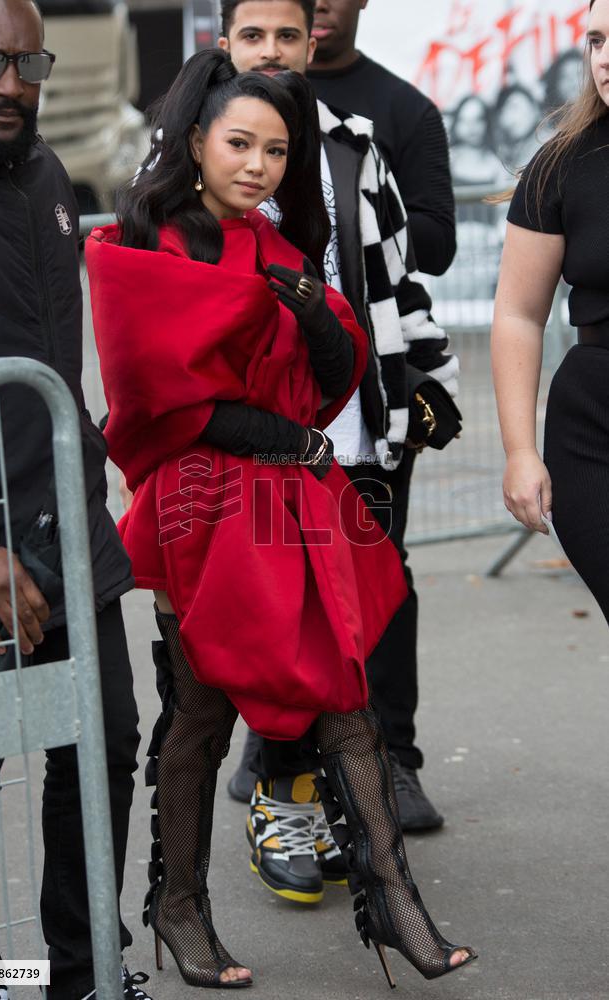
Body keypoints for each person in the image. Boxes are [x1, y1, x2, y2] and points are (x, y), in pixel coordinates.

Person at [87, 48, 476, 990]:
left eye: (276, 150)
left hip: (283, 500)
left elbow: (335, 379)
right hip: (197, 504)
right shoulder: (146, 245)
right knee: (202, 710)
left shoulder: (282, 248)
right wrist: (280, 434)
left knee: (347, 691)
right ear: (195, 142)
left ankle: (393, 901)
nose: (259, 165)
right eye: (240, 144)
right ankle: (179, 908)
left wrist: (317, 322)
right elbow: (156, 396)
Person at [219, 0, 457, 910]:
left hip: (367, 413)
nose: (279, 45)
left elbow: (417, 251)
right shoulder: (212, 129)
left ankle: (389, 760)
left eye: (292, 29)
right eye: (257, 33)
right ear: (227, 39)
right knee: (273, 594)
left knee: (376, 581)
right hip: (259, 427)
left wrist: (423, 381)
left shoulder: (385, 123)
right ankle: (275, 757)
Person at [0, 2, 151, 998]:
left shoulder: (49, 178)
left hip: (66, 531)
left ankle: (82, 970)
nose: (13, 83)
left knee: (103, 744)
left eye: (29, 60)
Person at [492, 0, 609, 626]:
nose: (606, 58)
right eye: (596, 41)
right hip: (594, 429)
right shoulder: (560, 166)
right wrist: (520, 452)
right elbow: (517, 313)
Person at [306, 0, 456, 277]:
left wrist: (351, 207)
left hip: (372, 314)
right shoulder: (239, 100)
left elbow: (438, 248)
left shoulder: (409, 109)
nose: (319, 5)